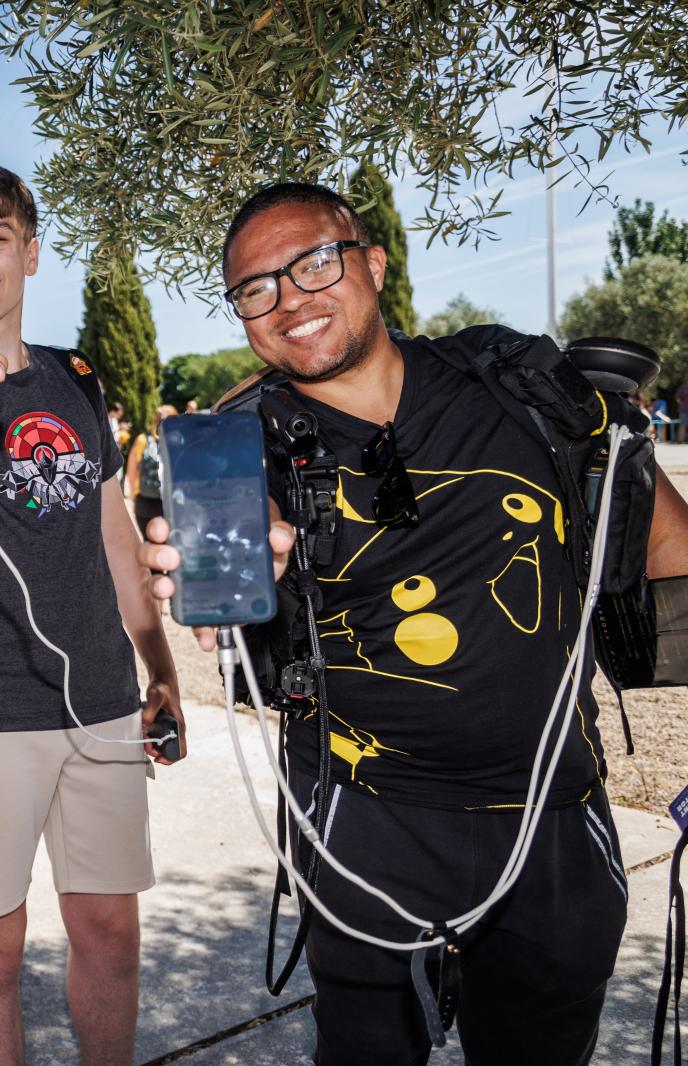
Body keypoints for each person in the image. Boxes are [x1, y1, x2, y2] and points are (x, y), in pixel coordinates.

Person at [142, 181, 688, 1065]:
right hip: (360, 824)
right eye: (255, 288)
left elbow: (666, 547)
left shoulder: (513, 386)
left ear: (374, 264)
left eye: (314, 263)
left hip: (549, 816)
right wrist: (242, 571)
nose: (289, 299)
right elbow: (234, 586)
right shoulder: (247, 446)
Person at [0, 161, 183, 1065]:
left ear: (32, 253)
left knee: (110, 935)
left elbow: (114, 536)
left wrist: (160, 666)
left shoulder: (77, 379)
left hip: (100, 703)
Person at [123, 405, 174, 541]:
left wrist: (132, 498)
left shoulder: (142, 440)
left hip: (144, 501)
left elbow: (131, 472)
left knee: (149, 543)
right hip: (171, 502)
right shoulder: (177, 441)